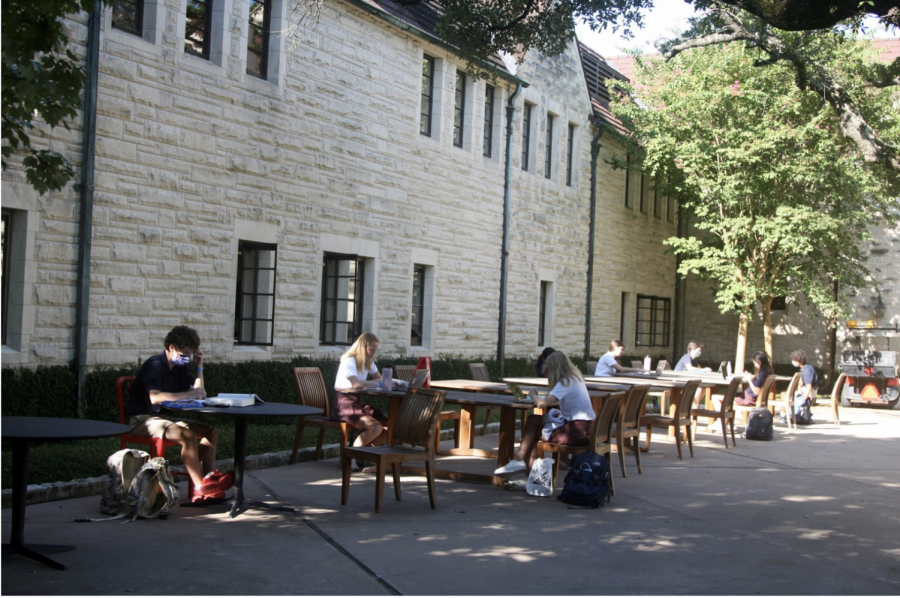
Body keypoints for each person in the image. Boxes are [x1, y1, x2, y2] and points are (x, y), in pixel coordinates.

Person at [127, 325, 232, 502]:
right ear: (171, 347)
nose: (187, 357)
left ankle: (209, 480)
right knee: (187, 435)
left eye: (190, 354)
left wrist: (199, 367)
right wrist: (188, 394)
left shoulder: (180, 368)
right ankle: (201, 488)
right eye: (185, 353)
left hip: (163, 418)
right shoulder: (154, 365)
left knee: (210, 431)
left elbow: (199, 392)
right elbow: (154, 398)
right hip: (141, 420)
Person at [494, 351, 596, 479]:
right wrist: (550, 376)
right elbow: (555, 397)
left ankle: (524, 468)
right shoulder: (575, 379)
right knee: (533, 420)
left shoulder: (565, 382)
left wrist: (533, 396)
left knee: (533, 430)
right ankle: (521, 465)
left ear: (554, 367)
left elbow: (542, 404)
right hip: (585, 430)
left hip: (574, 433)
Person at [332, 332, 389, 457]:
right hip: (344, 405)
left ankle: (362, 456)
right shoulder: (349, 360)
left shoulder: (368, 361)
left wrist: (376, 382)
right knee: (375, 427)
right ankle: (351, 457)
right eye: (371, 350)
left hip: (358, 404)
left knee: (389, 426)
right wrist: (376, 384)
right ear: (362, 347)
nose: (373, 353)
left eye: (375, 351)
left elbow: (380, 379)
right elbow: (356, 384)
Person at [787, 349, 819, 421]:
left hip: (810, 391)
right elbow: (801, 383)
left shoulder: (807, 371)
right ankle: (787, 414)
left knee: (788, 396)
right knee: (787, 394)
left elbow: (809, 387)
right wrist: (800, 389)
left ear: (798, 360)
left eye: (794, 360)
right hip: (805, 389)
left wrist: (804, 399)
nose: (793, 362)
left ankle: (791, 415)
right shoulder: (804, 368)